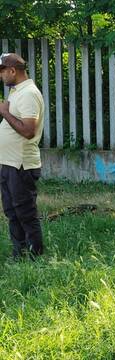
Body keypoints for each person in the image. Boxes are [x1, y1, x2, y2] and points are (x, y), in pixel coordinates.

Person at [0, 53, 45, 258]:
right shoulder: (16, 92)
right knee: (11, 212)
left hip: (21, 165)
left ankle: (36, 256)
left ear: (12, 71)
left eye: (2, 71)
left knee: (25, 213)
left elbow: (29, 131)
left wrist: (5, 113)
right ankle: (19, 254)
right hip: (9, 163)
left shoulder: (28, 93)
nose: (1, 76)